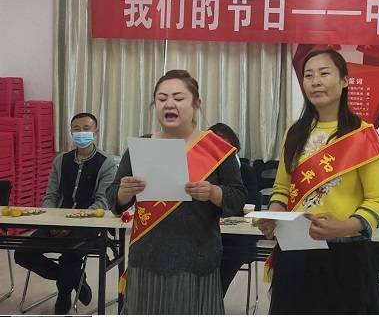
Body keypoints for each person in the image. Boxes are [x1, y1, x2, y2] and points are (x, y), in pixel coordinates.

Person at [258, 48, 379, 315]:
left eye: (324, 73)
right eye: (308, 75)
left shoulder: (363, 134)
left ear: (345, 81)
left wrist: (342, 227)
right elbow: (282, 188)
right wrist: (274, 215)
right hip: (296, 249)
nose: (315, 81)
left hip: (345, 255)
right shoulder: (294, 132)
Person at [106, 70, 247, 314]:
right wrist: (124, 192)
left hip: (197, 259)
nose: (169, 104)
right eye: (162, 99)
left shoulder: (216, 149)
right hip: (147, 257)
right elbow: (113, 198)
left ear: (196, 104)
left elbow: (238, 198)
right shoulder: (141, 147)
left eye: (178, 98)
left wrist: (213, 192)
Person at [14, 112, 117, 314]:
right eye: (76, 129)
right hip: (56, 221)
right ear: (71, 132)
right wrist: (52, 220)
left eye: (86, 129)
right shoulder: (61, 161)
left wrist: (72, 224)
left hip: (88, 224)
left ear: (96, 132)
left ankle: (64, 295)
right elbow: (51, 195)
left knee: (70, 254)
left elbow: (102, 202)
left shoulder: (107, 163)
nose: (81, 133)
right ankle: (74, 279)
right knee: (22, 253)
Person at [208, 122, 261, 296]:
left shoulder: (245, 171)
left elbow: (252, 204)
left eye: (223, 141)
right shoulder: (202, 170)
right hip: (207, 233)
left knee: (221, 272)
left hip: (237, 238)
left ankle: (214, 301)